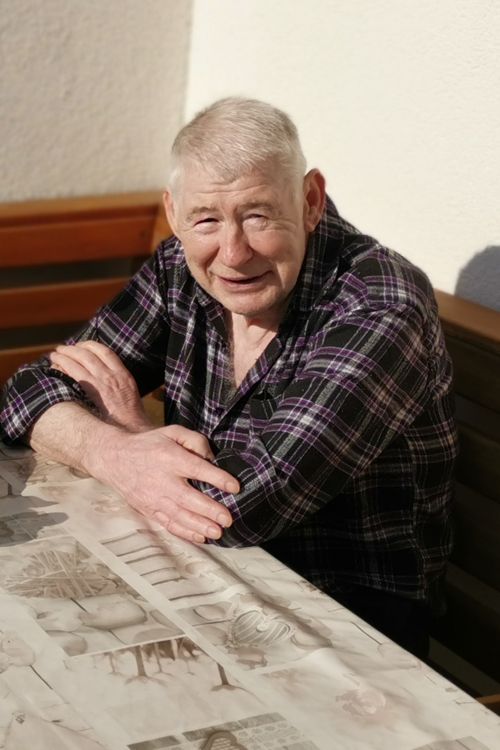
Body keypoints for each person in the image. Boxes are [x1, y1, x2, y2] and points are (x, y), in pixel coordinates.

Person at [0, 97, 457, 658]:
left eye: (258, 215)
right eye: (206, 220)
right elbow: (28, 392)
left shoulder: (379, 304)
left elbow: (244, 507)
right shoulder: (180, 268)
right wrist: (113, 448)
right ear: (174, 213)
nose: (234, 254)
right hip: (201, 574)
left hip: (350, 619)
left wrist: (133, 431)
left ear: (310, 201)